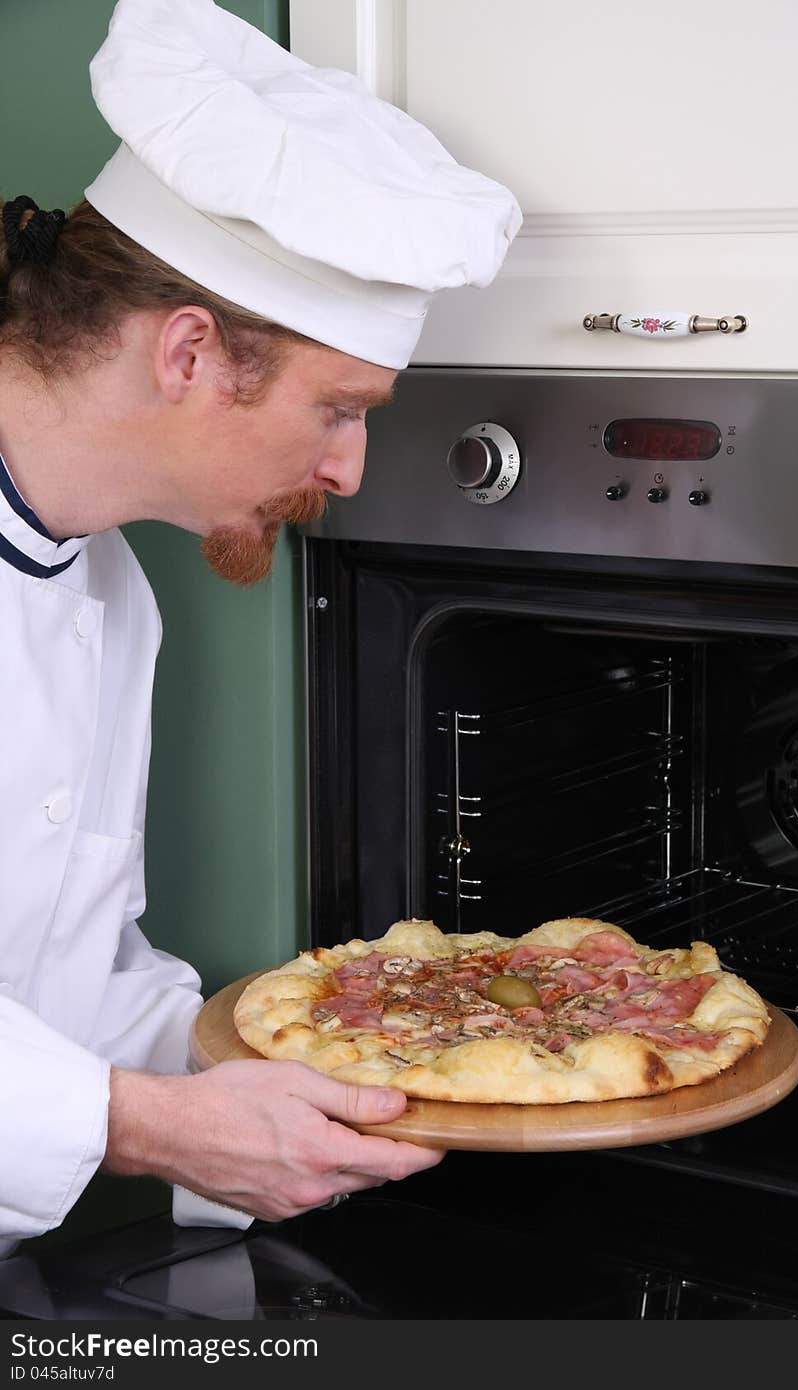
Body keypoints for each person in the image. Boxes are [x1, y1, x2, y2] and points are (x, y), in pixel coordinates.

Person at [0, 0, 520, 1254]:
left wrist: (283, 1062)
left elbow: (68, 974)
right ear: (189, 352)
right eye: (338, 407)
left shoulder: (110, 586)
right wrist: (152, 1129)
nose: (346, 471)